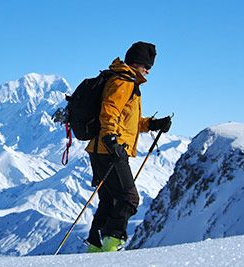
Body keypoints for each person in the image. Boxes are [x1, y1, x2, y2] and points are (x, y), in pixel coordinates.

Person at [85, 41, 171, 252]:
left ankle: (95, 250)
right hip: (111, 150)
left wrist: (152, 124)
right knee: (129, 198)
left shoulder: (125, 80)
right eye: (146, 65)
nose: (148, 70)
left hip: (101, 149)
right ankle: (112, 245)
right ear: (137, 63)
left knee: (109, 201)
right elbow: (110, 110)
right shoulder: (124, 81)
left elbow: (128, 121)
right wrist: (111, 139)